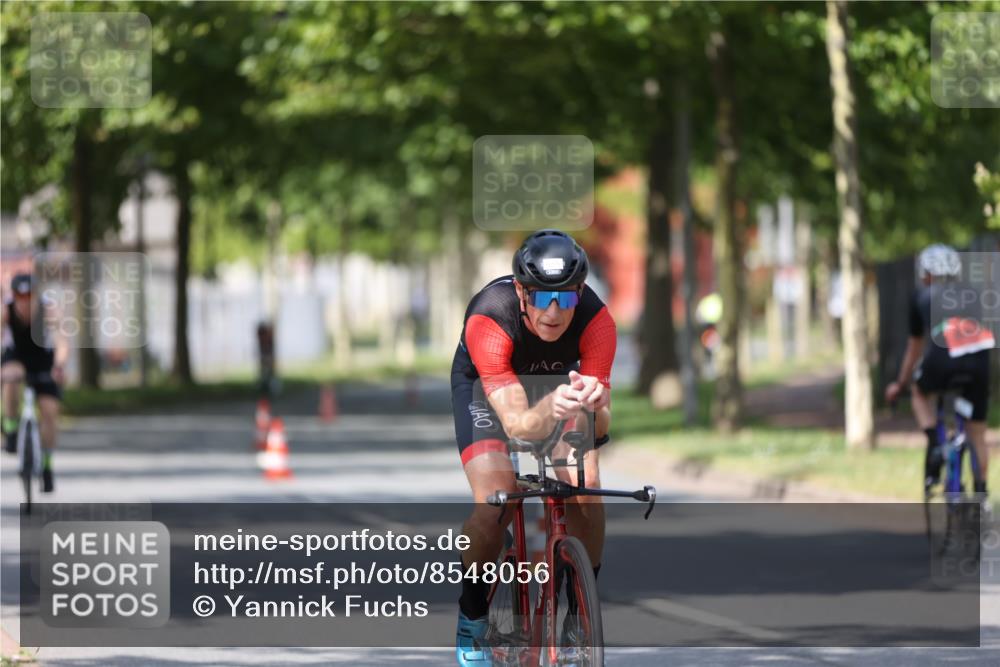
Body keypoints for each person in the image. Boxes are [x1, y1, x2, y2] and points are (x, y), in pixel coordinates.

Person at [451, 230, 616, 666]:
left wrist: (597, 405)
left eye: (567, 297)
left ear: (581, 291)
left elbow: (601, 428)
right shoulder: (489, 319)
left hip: (556, 390)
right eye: (543, 298)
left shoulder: (598, 323)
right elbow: (521, 427)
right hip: (487, 394)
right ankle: (472, 618)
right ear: (522, 292)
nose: (555, 311)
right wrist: (552, 407)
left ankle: (579, 608)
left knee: (588, 484)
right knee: (493, 503)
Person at [885, 244, 994, 498]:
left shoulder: (922, 296)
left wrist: (900, 383)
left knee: (919, 392)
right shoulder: (975, 293)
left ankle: (935, 441)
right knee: (977, 432)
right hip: (979, 363)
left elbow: (914, 348)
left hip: (941, 362)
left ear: (926, 274)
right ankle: (981, 497)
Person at [1, 273, 68, 492]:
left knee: (49, 411)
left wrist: (58, 366)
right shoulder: (5, 311)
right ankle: (11, 428)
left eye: (28, 295)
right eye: (19, 296)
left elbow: (61, 342)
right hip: (17, 357)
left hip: (43, 360)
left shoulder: (49, 310)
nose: (24, 301)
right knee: (10, 377)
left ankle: (47, 466)